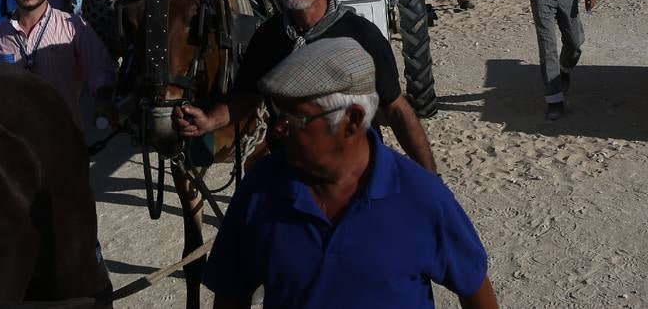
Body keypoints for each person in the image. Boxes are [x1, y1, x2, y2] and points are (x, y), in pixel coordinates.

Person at [203, 38, 497, 309]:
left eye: (296, 118)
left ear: (352, 120)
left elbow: (476, 292)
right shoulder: (260, 188)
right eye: (278, 114)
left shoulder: (422, 197)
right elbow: (231, 296)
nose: (278, 128)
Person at [174, 0, 436, 171]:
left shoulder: (361, 35)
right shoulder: (268, 36)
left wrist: (430, 180)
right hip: (292, 170)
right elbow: (246, 96)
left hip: (353, 172)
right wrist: (209, 120)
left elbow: (398, 110)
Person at [0, 0, 116, 128]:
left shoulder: (73, 27)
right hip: (16, 137)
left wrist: (102, 97)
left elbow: (99, 67)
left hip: (63, 133)